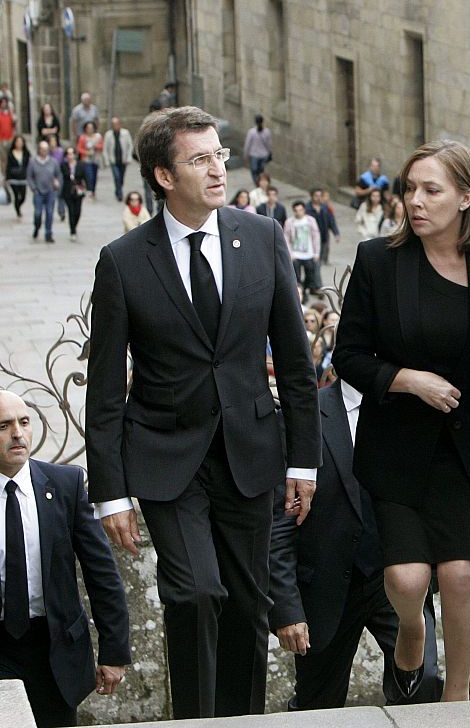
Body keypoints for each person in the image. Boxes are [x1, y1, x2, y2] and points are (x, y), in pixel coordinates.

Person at [84, 106, 321, 719]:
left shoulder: (262, 236)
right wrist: (110, 493)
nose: (218, 169)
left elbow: (296, 366)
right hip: (167, 457)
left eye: (220, 154)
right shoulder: (123, 261)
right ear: (164, 175)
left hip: (250, 452)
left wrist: (305, 462)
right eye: (200, 160)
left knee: (247, 604)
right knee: (194, 593)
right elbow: (106, 389)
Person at [333, 139, 470, 702]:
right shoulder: (379, 260)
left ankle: (456, 696)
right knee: (408, 579)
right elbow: (348, 354)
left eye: (432, 190)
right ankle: (409, 632)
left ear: (465, 197)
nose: (415, 201)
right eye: (409, 189)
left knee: (459, 575)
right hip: (396, 449)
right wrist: (407, 379)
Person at [269, 378, 443, 709]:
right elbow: (278, 519)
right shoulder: (304, 414)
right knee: (317, 707)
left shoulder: (411, 408)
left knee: (423, 686)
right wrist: (286, 608)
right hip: (325, 585)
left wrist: (431, 574)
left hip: (395, 575)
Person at [0, 390, 131, 728]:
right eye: (4, 425)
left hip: (54, 646)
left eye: (24, 422)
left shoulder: (65, 484)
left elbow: (101, 572)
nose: (17, 433)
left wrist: (114, 653)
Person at [285, 200, 322, 296]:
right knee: (296, 276)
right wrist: (290, 254)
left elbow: (316, 236)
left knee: (310, 275)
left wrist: (316, 252)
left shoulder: (310, 220)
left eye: (300, 210)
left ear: (304, 210)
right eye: (296, 210)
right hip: (296, 254)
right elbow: (286, 237)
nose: (299, 212)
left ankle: (304, 289)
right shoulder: (290, 222)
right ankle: (301, 294)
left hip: (309, 254)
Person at [26, 140, 60, 244]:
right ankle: (37, 226)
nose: (44, 152)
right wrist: (33, 188)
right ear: (39, 150)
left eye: (46, 150)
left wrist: (57, 183)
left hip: (50, 191)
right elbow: (29, 176)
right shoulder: (33, 162)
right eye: (42, 150)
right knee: (38, 213)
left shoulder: (53, 162)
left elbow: (58, 175)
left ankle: (48, 233)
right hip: (38, 192)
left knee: (49, 213)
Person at [58, 146, 88, 241]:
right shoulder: (63, 165)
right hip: (68, 191)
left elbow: (85, 177)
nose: (70, 156)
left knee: (77, 211)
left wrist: (89, 188)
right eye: (68, 154)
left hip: (78, 191)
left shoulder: (81, 165)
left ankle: (74, 225)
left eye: (72, 153)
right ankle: (72, 230)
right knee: (71, 210)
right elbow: (65, 174)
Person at [103, 117, 134, 202]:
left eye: (116, 124)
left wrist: (128, 157)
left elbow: (130, 146)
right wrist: (106, 161)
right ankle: (120, 193)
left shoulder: (125, 133)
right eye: (113, 124)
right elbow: (105, 148)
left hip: (123, 159)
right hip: (113, 160)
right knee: (116, 176)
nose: (115, 126)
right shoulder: (108, 135)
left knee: (121, 177)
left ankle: (118, 190)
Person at [306, 188, 340, 265]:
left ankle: (324, 260)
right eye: (316, 195)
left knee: (325, 248)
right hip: (312, 234)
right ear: (312, 196)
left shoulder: (325, 208)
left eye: (320, 195)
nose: (318, 198)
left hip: (324, 232)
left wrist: (336, 233)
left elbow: (331, 221)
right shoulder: (307, 208)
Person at [244, 114, 273, 186]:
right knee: (261, 170)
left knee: (254, 170)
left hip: (254, 155)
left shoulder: (251, 132)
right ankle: (261, 182)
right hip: (264, 154)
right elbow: (269, 144)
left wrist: (245, 155)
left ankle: (257, 183)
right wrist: (269, 152)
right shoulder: (267, 131)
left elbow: (247, 144)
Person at [76, 121, 103, 199]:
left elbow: (101, 145)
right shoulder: (82, 138)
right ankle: (89, 190)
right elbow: (79, 148)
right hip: (86, 159)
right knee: (89, 175)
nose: (90, 130)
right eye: (88, 128)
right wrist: (86, 152)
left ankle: (93, 190)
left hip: (95, 159)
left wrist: (95, 146)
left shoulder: (97, 137)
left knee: (94, 176)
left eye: (91, 128)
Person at [5, 134, 29, 219]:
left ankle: (19, 206)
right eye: (17, 142)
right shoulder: (11, 154)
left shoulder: (26, 153)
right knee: (16, 195)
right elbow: (8, 166)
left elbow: (29, 165)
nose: (19, 143)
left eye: (21, 142)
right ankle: (18, 211)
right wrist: (7, 178)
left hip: (23, 178)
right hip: (13, 178)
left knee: (23, 196)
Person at [0, 96, 15, 175]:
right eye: (2, 103)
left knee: (10, 157)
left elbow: (13, 124)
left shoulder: (10, 113)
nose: (4, 104)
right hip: (1, 139)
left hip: (10, 138)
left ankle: (9, 173)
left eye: (5, 103)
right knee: (3, 158)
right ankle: (3, 174)